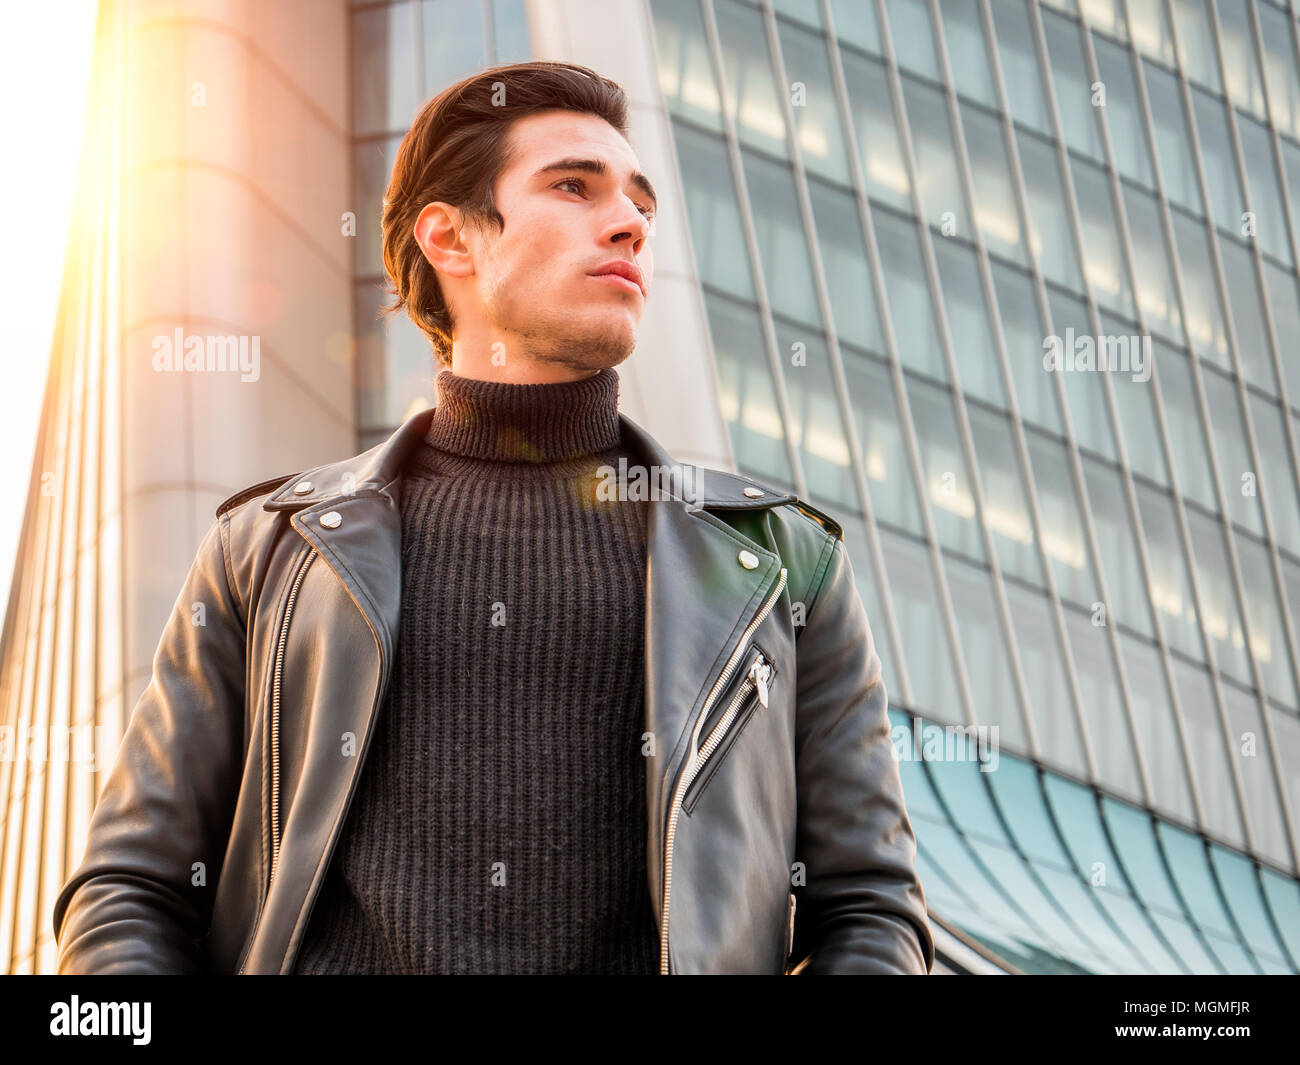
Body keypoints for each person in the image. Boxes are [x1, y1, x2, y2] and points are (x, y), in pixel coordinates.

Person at [52, 60, 934, 975]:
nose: (631, 223)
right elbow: (131, 889)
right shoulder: (266, 550)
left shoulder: (779, 562)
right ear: (451, 238)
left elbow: (870, 908)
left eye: (640, 201)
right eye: (573, 186)